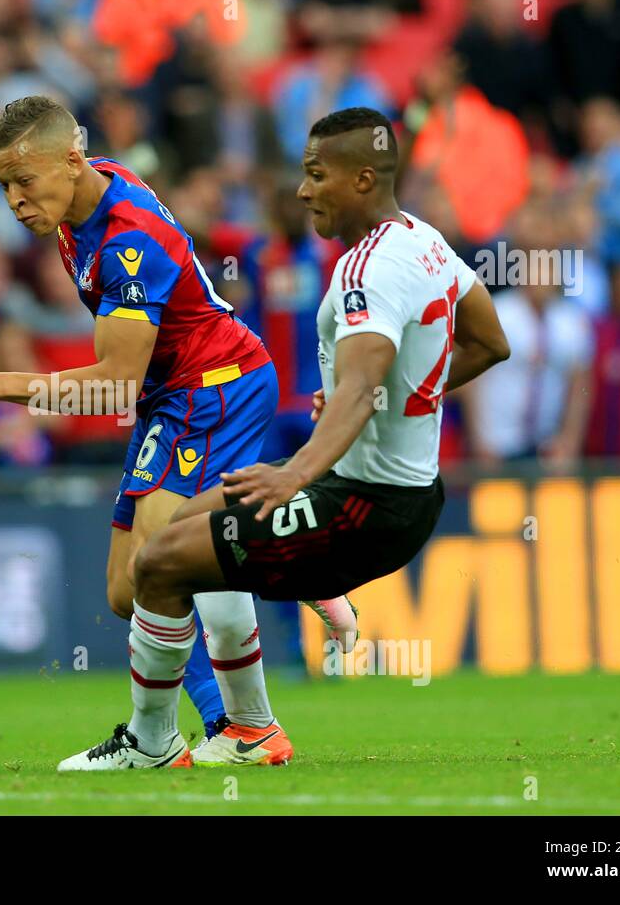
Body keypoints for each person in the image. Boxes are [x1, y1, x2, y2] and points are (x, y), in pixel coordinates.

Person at [55, 107, 509, 769]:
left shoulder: (366, 273)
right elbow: (490, 342)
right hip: (388, 487)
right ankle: (247, 730)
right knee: (185, 533)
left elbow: (357, 389)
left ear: (361, 179)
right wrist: (397, 399)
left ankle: (165, 741)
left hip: (359, 500)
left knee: (157, 566)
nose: (301, 190)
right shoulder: (425, 241)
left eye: (315, 175)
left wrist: (297, 471)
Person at [0, 95, 358, 768]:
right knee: (128, 591)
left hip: (213, 387)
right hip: (175, 398)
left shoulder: (127, 244)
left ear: (71, 164)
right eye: (9, 185)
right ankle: (234, 725)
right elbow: (48, 158)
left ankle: (278, 579)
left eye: (24, 183)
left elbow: (114, 382)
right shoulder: (82, 181)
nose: (15, 201)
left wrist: (0, 384)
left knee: (162, 566)